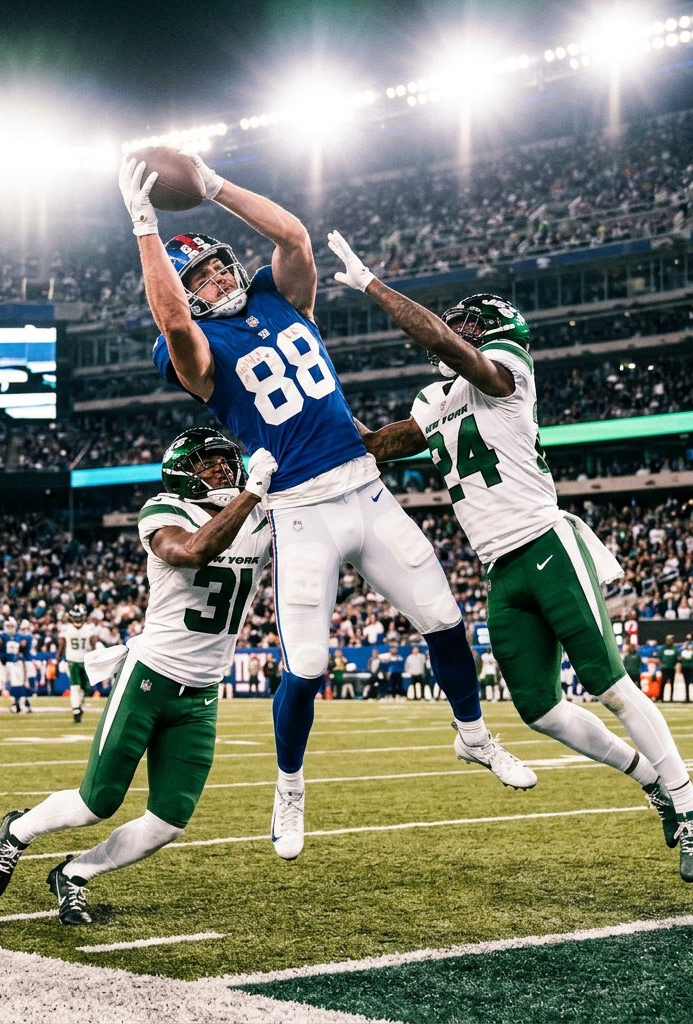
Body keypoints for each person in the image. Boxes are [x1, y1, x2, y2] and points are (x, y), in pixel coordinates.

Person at [119, 154, 534, 862]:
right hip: (301, 510)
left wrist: (213, 185)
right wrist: (146, 227)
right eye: (202, 279)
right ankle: (289, 786)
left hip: (365, 486)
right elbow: (172, 319)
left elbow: (294, 238)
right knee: (307, 667)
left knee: (443, 617)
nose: (219, 279)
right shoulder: (189, 346)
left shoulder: (278, 296)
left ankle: (473, 734)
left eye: (220, 267)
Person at [331, 247, 693, 881]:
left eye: (468, 324)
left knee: (611, 686)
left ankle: (692, 801)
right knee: (540, 709)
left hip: (545, 543)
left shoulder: (507, 366)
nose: (458, 334)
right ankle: (651, 780)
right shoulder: (437, 398)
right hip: (499, 570)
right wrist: (320, 411)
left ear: (494, 328)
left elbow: (461, 354)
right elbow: (383, 444)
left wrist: (373, 286)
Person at [0, 430, 275, 925]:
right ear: (181, 471)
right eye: (209, 464)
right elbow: (192, 552)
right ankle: (18, 832)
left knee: (168, 824)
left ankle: (74, 874)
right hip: (149, 677)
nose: (223, 470)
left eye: (228, 462)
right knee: (97, 802)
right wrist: (252, 495)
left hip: (202, 692)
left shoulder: (263, 513)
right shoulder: (166, 511)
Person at [58, 605, 101, 723]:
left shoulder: (67, 629)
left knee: (83, 687)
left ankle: (78, 706)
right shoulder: (88, 629)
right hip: (78, 660)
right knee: (76, 686)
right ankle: (76, 709)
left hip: (79, 661)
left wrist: (57, 660)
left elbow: (61, 646)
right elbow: (94, 645)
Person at [678, 635, 693, 703]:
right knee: (686, 683)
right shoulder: (683, 651)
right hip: (685, 668)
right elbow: (679, 659)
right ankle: (687, 698)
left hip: (692, 668)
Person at [659, 634, 679, 703]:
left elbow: (678, 658)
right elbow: (659, 658)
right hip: (665, 668)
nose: (670, 641)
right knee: (663, 683)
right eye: (668, 640)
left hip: (672, 668)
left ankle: (671, 698)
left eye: (671, 640)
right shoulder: (663, 648)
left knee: (672, 683)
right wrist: (661, 666)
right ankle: (661, 697)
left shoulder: (675, 649)